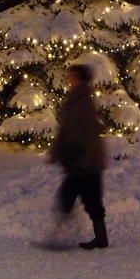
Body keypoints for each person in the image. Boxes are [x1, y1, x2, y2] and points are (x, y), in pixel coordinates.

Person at [49, 64, 108, 250]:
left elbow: (80, 131)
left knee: (76, 198)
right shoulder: (76, 98)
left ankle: (62, 239)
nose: (68, 78)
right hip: (81, 159)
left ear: (80, 78)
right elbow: (66, 130)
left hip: (85, 160)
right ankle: (98, 239)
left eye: (72, 75)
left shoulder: (82, 100)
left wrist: (72, 154)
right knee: (83, 199)